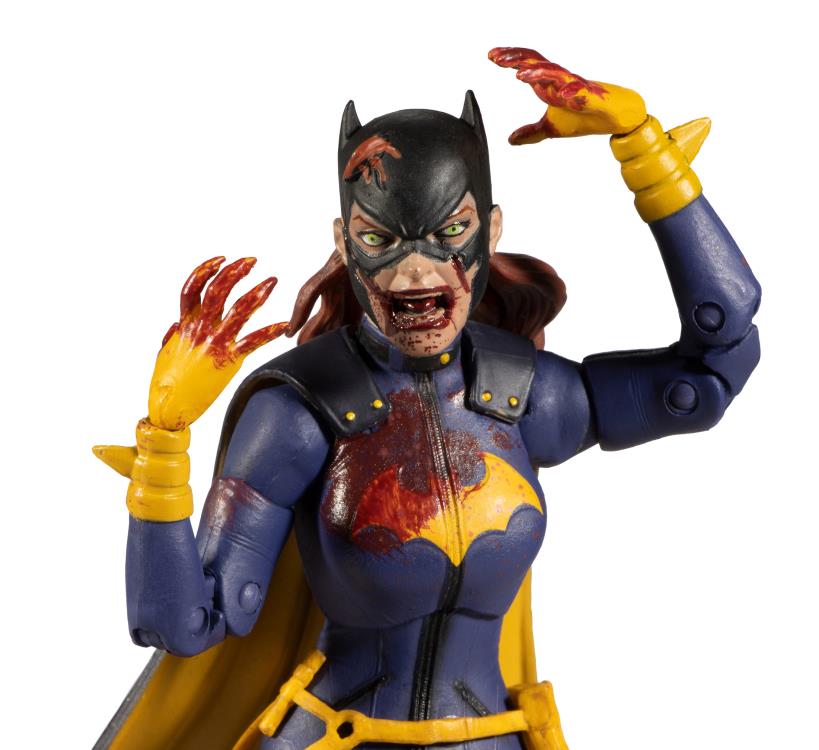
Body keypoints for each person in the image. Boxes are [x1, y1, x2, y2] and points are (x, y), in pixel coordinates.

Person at [93, 48, 761, 750]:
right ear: (344, 244)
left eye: (449, 234)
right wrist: (164, 445)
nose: (415, 272)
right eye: (379, 239)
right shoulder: (303, 412)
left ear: (490, 232)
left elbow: (710, 375)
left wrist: (646, 152)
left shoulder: (520, 394)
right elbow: (185, 625)